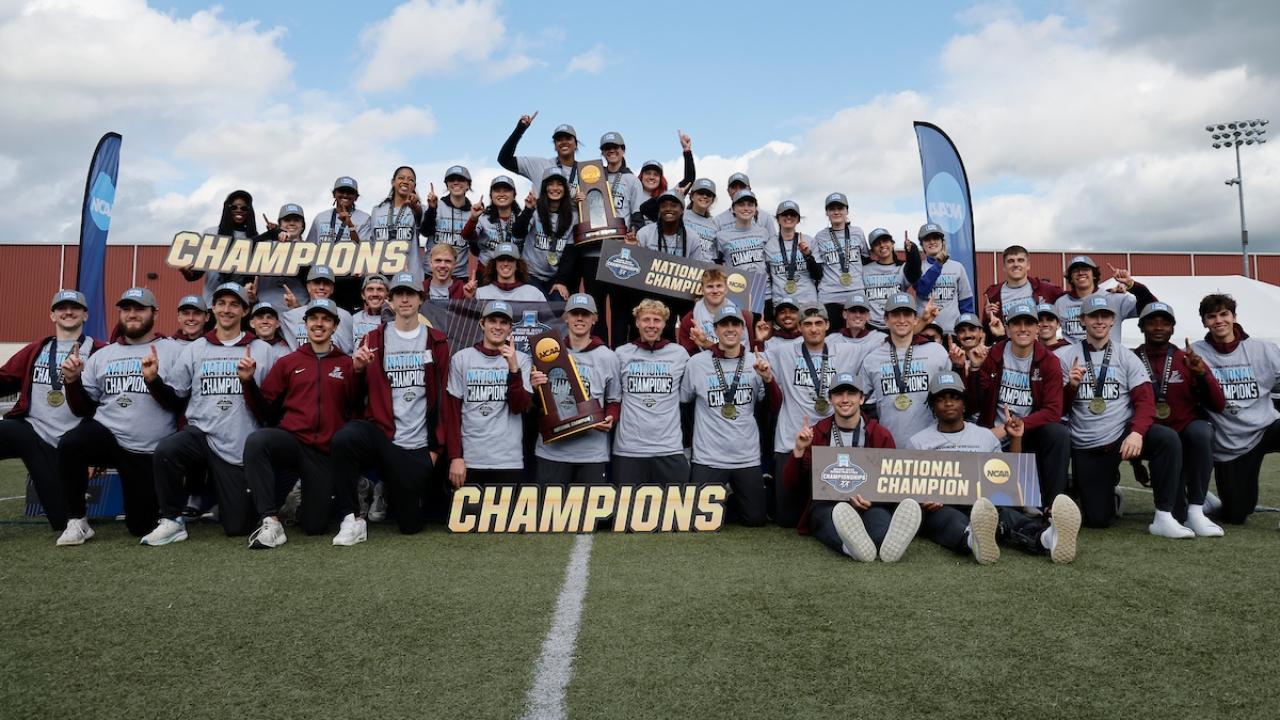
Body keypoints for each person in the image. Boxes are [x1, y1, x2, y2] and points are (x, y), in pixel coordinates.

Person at [139, 283, 281, 544]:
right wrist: (153, 380)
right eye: (221, 303)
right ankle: (171, 519)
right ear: (213, 308)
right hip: (201, 434)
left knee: (237, 526)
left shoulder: (262, 350)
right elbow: (175, 399)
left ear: (245, 311)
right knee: (167, 450)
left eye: (234, 304)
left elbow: (270, 410)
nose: (227, 309)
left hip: (238, 442)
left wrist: (248, 382)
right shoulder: (196, 348)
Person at [908, 372, 1080, 565]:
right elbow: (912, 487)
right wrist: (924, 499)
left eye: (955, 397)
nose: (948, 403)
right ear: (932, 405)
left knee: (1000, 512)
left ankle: (1047, 538)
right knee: (943, 517)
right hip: (943, 506)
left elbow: (1010, 479)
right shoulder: (918, 442)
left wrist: (1015, 439)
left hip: (982, 503)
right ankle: (973, 539)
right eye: (941, 399)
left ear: (964, 403)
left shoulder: (984, 436)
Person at [54, 288, 184, 544]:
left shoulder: (174, 350)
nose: (132, 314)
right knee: (71, 443)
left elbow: (177, 403)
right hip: (108, 434)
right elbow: (83, 409)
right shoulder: (104, 354)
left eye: (139, 309)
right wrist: (72, 381)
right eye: (126, 309)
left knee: (140, 526)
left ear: (155, 313)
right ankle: (77, 520)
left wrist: (153, 381)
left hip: (146, 448)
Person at [332, 272, 452, 544]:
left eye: (410, 294)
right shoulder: (373, 339)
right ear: (390, 300)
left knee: (410, 525)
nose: (405, 299)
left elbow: (444, 399)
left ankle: (386, 488)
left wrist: (435, 451)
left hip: (418, 446)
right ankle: (352, 518)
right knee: (344, 439)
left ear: (421, 299)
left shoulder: (437, 341)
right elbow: (353, 398)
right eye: (399, 294)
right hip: (383, 437)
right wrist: (357, 370)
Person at [1058, 294, 1186, 536]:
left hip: (1122, 436)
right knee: (1097, 520)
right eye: (1093, 316)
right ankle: (1106, 490)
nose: (1099, 321)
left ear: (1113, 320)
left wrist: (1136, 433)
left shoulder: (1126, 356)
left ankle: (1164, 515)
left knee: (1166, 439)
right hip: (1088, 443)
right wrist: (1071, 387)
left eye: (1105, 316)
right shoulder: (1064, 356)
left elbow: (1145, 402)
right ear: (1082, 320)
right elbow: (1058, 410)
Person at [240, 298, 360, 548]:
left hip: (323, 452)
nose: (319, 324)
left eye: (326, 319)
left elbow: (355, 407)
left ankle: (295, 501)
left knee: (314, 526)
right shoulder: (288, 362)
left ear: (335, 326)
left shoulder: (346, 363)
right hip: (292, 441)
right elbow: (265, 409)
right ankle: (270, 520)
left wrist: (359, 373)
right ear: (305, 324)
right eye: (313, 318)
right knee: (257, 441)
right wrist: (248, 382)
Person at [785, 372, 918, 562]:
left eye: (851, 393)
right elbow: (790, 484)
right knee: (828, 519)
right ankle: (850, 548)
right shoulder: (817, 433)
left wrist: (873, 501)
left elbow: (890, 483)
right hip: (829, 504)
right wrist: (799, 449)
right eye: (839, 394)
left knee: (879, 526)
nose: (845, 399)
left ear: (862, 398)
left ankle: (885, 543)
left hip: (870, 503)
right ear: (830, 399)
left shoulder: (880, 434)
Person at [0, 290, 102, 532]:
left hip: (72, 439)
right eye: (61, 308)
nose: (68, 312)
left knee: (62, 521)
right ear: (52, 315)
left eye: (75, 308)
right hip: (33, 432)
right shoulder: (37, 348)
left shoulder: (100, 350)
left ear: (85, 315)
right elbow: (5, 379)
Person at [765, 305, 864, 527]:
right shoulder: (782, 352)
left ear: (828, 325)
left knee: (830, 510)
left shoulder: (849, 351)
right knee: (786, 520)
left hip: (830, 444)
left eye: (819, 323)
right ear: (799, 327)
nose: (813, 329)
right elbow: (748, 356)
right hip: (791, 442)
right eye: (807, 324)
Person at [965, 301, 1070, 508]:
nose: (1023, 329)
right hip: (993, 431)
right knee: (998, 504)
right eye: (1016, 323)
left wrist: (1019, 425)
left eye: (1028, 323)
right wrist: (975, 370)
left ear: (1037, 328)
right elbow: (974, 404)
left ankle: (1053, 507)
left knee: (1058, 433)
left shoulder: (1049, 361)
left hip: (1028, 433)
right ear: (1007, 328)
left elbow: (1053, 411)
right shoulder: (994, 355)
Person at [1133, 302, 1225, 536]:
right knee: (1175, 513)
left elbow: (1218, 403)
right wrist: (1136, 462)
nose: (1158, 327)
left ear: (1173, 328)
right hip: (1153, 436)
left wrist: (1201, 373)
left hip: (1184, 431)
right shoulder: (1131, 358)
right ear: (1141, 326)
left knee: (1201, 431)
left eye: (1165, 323)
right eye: (1152, 322)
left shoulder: (1187, 358)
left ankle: (1197, 508)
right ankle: (1171, 510)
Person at [1192, 293, 1280, 526]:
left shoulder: (1264, 349)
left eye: (1224, 314)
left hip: (1267, 428)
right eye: (1212, 316)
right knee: (1236, 514)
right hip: (1231, 443)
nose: (1219, 320)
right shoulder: (1195, 353)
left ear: (1234, 317)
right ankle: (1211, 500)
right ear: (1204, 322)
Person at [680, 306, 773, 526]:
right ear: (715, 329)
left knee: (755, 520)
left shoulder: (756, 361)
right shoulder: (697, 363)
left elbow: (770, 404)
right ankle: (726, 496)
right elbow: (684, 403)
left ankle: (731, 497)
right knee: (699, 521)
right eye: (724, 324)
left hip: (746, 456)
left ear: (743, 329)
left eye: (735, 324)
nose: (730, 329)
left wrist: (769, 380)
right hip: (708, 458)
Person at [530, 294, 621, 485]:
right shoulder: (547, 351)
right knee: (549, 505)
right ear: (566, 317)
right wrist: (535, 388)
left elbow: (614, 399)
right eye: (574, 313)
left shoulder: (608, 356)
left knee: (589, 506)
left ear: (594, 318)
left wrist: (610, 417)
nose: (579, 318)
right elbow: (534, 403)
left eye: (585, 314)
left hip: (591, 453)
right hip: (552, 451)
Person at [444, 300, 533, 486]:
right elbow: (452, 413)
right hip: (469, 460)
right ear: (482, 323)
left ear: (510, 328)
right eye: (492, 321)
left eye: (503, 322)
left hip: (508, 460)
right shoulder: (462, 358)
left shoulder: (522, 360)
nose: (498, 327)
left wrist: (513, 369)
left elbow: (519, 407)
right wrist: (455, 456)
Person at [613, 299, 690, 485]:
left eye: (657, 320)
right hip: (629, 449)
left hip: (669, 448)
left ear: (664, 324)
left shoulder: (679, 354)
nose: (651, 325)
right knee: (628, 504)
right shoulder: (621, 354)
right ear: (637, 323)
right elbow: (612, 396)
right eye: (646, 319)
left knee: (675, 504)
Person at [860, 293, 955, 443]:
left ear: (915, 319)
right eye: (896, 315)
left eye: (907, 314)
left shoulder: (937, 352)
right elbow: (857, 401)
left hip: (932, 446)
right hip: (889, 446)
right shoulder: (872, 360)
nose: (902, 320)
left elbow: (955, 396)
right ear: (886, 320)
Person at [1053, 255, 1156, 343]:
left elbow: (1152, 309)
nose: (1080, 273)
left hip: (1109, 358)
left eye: (1085, 269)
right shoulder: (1061, 303)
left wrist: (1131, 284)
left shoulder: (1114, 299)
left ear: (1094, 275)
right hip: (1073, 359)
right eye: (1075, 270)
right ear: (1070, 278)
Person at [181, 189, 259, 303]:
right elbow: (196, 273)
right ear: (227, 208)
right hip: (212, 303)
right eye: (234, 207)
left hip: (240, 304)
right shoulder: (211, 233)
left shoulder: (256, 239)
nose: (239, 210)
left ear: (249, 211)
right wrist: (187, 273)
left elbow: (254, 276)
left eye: (244, 208)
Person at [306, 177, 371, 308]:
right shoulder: (320, 218)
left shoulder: (364, 218)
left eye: (350, 192)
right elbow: (310, 249)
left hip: (350, 281)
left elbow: (363, 250)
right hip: (323, 280)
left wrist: (350, 224)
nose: (345, 195)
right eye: (341, 191)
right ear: (334, 194)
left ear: (356, 197)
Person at [514, 167, 577, 298]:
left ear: (565, 189)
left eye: (559, 184)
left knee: (558, 303)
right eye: (550, 184)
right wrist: (528, 210)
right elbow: (518, 232)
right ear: (544, 188)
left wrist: (561, 281)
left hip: (554, 277)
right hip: (530, 274)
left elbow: (570, 253)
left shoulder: (573, 216)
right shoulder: (534, 209)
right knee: (540, 303)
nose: (555, 188)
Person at [812, 193, 868, 331]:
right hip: (830, 296)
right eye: (832, 209)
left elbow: (866, 258)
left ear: (847, 211)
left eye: (840, 208)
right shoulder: (820, 236)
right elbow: (817, 267)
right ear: (827, 213)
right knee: (830, 338)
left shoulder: (858, 232)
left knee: (857, 336)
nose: (836, 212)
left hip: (855, 293)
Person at [909, 223, 975, 334]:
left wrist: (968, 329)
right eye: (927, 239)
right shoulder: (918, 267)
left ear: (942, 242)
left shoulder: (957, 267)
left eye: (936, 238)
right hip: (925, 332)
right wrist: (938, 265)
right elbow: (922, 290)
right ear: (922, 244)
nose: (932, 242)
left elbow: (966, 302)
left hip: (952, 331)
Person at [980, 245, 1065, 331]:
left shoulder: (1047, 290)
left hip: (1039, 339)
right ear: (1004, 267)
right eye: (1010, 261)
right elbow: (986, 333)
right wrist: (988, 318)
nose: (1016, 264)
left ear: (1028, 265)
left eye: (1020, 260)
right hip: (1007, 339)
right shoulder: (993, 295)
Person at [499, 112, 581, 197]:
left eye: (568, 138)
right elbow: (505, 159)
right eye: (559, 139)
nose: (564, 142)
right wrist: (520, 130)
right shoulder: (540, 165)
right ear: (555, 146)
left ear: (576, 144)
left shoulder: (584, 171)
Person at [713, 190, 771, 306]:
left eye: (750, 205)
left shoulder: (764, 233)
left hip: (764, 293)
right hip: (737, 293)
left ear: (755, 209)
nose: (746, 208)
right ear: (733, 209)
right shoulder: (721, 236)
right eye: (741, 205)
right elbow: (716, 267)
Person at [676, 268, 754, 354]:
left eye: (719, 286)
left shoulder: (742, 316)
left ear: (726, 289)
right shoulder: (690, 320)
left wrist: (707, 344)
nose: (715, 291)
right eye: (710, 286)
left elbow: (745, 351)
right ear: (702, 290)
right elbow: (688, 356)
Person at [368, 166, 426, 281]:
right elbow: (372, 243)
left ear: (414, 186)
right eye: (401, 178)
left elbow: (424, 226)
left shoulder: (420, 209)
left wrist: (416, 208)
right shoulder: (377, 210)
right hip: (381, 276)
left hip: (409, 275)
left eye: (410, 180)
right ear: (393, 182)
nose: (405, 181)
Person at [249, 204, 310, 311]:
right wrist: (272, 233)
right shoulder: (265, 245)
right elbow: (241, 247)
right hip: (265, 311)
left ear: (302, 226)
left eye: (296, 220)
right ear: (280, 224)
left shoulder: (311, 249)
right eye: (287, 220)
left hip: (299, 308)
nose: (291, 223)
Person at [861, 228, 925, 330]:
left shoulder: (903, 268)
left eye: (885, 241)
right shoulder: (864, 270)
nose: (882, 245)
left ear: (892, 243)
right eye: (877, 244)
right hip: (871, 326)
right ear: (872, 250)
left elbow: (915, 271)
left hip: (896, 325)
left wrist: (912, 251)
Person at [280, 266, 355, 352]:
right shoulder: (291, 316)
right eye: (317, 283)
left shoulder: (345, 316)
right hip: (302, 360)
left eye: (326, 283)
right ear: (308, 286)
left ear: (332, 288)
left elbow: (350, 351)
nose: (321, 287)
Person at [462, 175, 522, 277]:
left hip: (513, 273)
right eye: (497, 191)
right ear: (491, 195)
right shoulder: (483, 218)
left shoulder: (522, 218)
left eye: (506, 190)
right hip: (486, 272)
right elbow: (467, 236)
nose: (502, 194)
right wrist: (473, 218)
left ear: (514, 195)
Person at [421, 165, 474, 279]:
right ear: (447, 185)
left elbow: (475, 246)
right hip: (431, 273)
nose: (456, 182)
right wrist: (432, 209)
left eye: (460, 179)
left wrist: (474, 219)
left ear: (468, 184)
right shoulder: (436, 205)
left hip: (459, 275)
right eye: (451, 179)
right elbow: (425, 232)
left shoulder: (473, 212)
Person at [633, 132, 697, 226]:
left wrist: (687, 150)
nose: (651, 177)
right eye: (648, 173)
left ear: (660, 179)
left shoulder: (666, 196)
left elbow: (689, 179)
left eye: (656, 174)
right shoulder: (632, 194)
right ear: (641, 176)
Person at [765, 201, 820, 309]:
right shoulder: (769, 245)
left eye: (793, 214)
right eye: (784, 214)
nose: (789, 217)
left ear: (798, 219)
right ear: (778, 218)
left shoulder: (809, 241)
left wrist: (807, 256)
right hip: (781, 305)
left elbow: (818, 275)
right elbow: (767, 277)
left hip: (807, 303)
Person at [596, 131, 647, 224]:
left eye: (615, 147)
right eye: (607, 148)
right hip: (599, 230)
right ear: (602, 152)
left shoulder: (632, 180)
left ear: (623, 150)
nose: (611, 150)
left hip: (621, 232)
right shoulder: (596, 178)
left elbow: (637, 213)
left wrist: (634, 228)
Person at [474, 242, 547, 301]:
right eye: (501, 259)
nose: (505, 263)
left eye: (510, 260)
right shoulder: (480, 293)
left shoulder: (533, 294)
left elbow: (548, 315)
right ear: (495, 264)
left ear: (517, 265)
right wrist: (470, 298)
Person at [713, 173, 778, 238]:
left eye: (742, 187)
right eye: (734, 187)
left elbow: (773, 240)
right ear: (728, 191)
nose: (738, 191)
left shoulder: (765, 218)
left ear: (749, 188)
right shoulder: (718, 221)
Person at [350, 274, 391, 349]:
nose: (375, 294)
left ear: (387, 295)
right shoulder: (354, 319)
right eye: (370, 289)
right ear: (363, 295)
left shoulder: (395, 320)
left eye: (380, 289)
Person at [683, 178, 719, 261]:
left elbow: (714, 255)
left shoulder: (715, 225)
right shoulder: (680, 216)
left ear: (712, 200)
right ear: (692, 196)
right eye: (701, 193)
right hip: (681, 265)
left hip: (704, 268)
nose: (705, 196)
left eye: (709, 194)